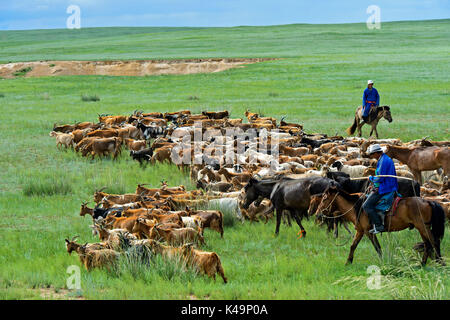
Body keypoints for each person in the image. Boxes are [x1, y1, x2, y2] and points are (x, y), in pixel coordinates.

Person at [362, 144, 398, 234]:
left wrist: (371, 178)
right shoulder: (383, 159)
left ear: (377, 153)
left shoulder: (383, 161)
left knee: (366, 206)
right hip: (385, 185)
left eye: (372, 154)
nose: (371, 156)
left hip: (386, 187)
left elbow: (381, 178)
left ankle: (379, 226)